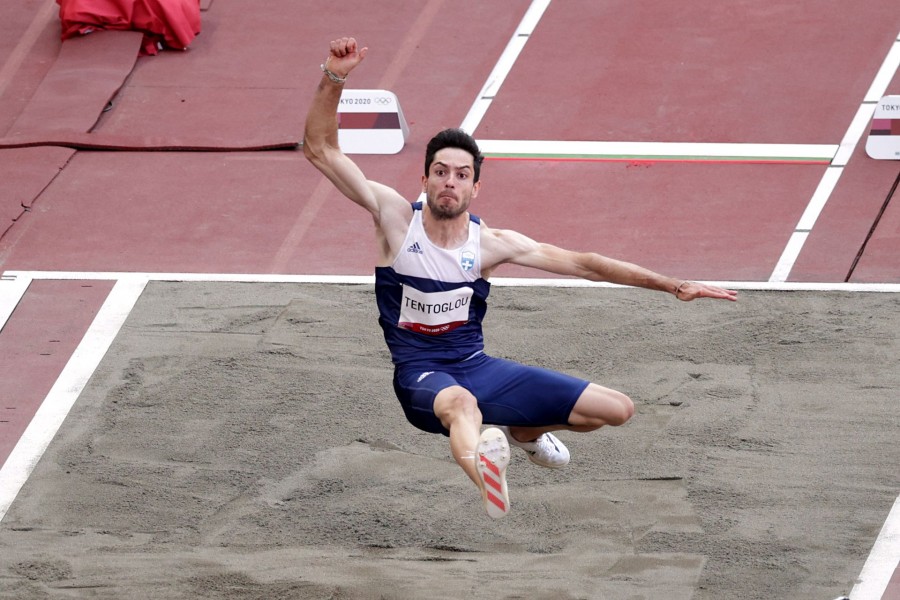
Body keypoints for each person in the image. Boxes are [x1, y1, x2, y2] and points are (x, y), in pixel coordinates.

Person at [303, 37, 738, 519]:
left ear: (475, 186)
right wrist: (334, 76)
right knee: (462, 405)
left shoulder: (490, 244)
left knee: (615, 410)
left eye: (461, 175)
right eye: (441, 172)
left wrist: (673, 285)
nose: (450, 181)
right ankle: (490, 478)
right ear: (424, 180)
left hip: (478, 365)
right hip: (422, 377)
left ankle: (524, 435)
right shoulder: (393, 220)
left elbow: (586, 264)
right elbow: (320, 149)